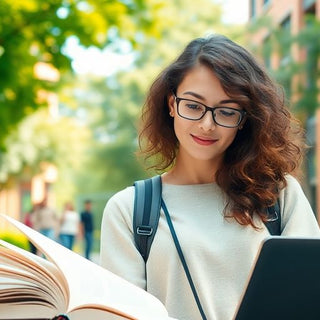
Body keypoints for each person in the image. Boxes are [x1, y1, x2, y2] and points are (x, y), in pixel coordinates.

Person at [99, 34, 320, 320]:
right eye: (193, 106)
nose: (206, 125)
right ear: (171, 104)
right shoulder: (129, 210)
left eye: (226, 111)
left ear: (244, 119)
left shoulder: (279, 195)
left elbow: (306, 301)